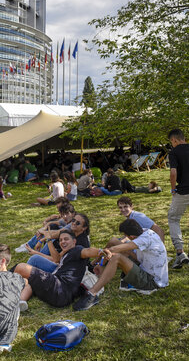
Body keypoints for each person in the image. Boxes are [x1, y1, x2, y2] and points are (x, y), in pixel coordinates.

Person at [73, 219, 168, 311]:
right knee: (113, 241)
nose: (124, 236)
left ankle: (92, 293)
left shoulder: (143, 240)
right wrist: (101, 263)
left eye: (125, 235)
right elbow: (118, 245)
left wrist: (103, 261)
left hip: (152, 281)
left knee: (116, 257)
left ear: (131, 236)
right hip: (143, 262)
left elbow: (113, 250)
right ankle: (94, 265)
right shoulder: (146, 231)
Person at [15, 230, 103, 309]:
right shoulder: (66, 254)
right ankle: (20, 301)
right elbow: (55, 259)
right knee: (29, 282)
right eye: (60, 240)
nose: (62, 242)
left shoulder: (77, 250)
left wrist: (100, 251)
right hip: (59, 296)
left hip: (60, 289)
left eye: (66, 239)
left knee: (21, 267)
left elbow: (87, 251)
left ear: (74, 241)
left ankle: (7, 285)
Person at [167, 128, 189, 268]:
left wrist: (173, 188)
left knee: (173, 218)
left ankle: (180, 252)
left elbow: (173, 173)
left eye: (171, 142)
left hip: (183, 191)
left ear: (174, 140)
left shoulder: (174, 152)